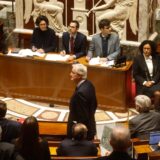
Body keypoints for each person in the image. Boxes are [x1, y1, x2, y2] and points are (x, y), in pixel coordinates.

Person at [67, 64, 97, 140]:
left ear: (79, 76)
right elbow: (95, 105)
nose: (70, 74)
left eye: (73, 73)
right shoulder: (89, 84)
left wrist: (76, 133)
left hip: (81, 134)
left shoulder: (80, 93)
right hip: (90, 125)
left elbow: (82, 117)